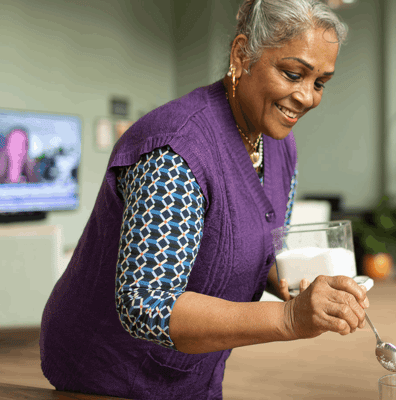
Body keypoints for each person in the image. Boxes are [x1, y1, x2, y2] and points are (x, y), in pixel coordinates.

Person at [39, 1, 369, 399]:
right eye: (293, 74)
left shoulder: (279, 145)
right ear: (241, 54)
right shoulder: (175, 151)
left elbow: (257, 246)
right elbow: (147, 305)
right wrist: (289, 318)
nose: (307, 97)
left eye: (319, 83)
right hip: (105, 374)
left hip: (194, 371)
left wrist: (305, 285)